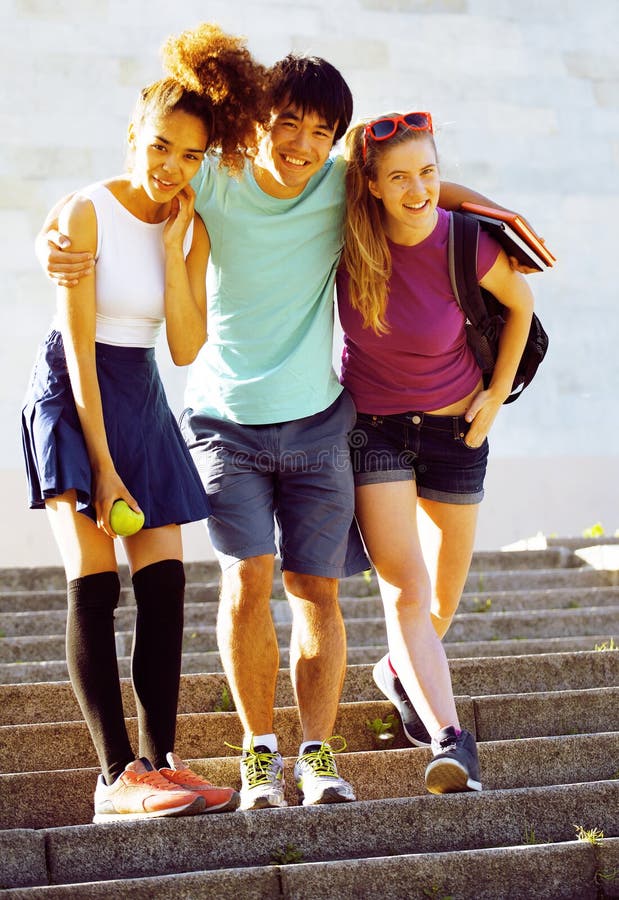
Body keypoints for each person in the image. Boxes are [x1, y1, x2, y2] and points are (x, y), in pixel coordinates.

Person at [36, 50, 522, 810]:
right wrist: (52, 232)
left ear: (335, 144)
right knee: (245, 581)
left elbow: (408, 186)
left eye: (319, 132)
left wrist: (483, 205)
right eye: (286, 123)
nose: (299, 144)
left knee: (316, 590)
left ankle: (317, 756)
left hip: (321, 422)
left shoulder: (337, 184)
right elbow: (140, 177)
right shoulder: (214, 177)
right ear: (260, 122)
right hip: (224, 423)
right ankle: (258, 756)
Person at [22, 23, 270, 822]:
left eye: (189, 155)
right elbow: (77, 349)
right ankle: (113, 778)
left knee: (165, 584)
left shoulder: (188, 226)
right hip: (75, 392)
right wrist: (101, 463)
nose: (170, 167)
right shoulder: (84, 213)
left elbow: (189, 342)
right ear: (134, 134)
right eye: (160, 146)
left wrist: (174, 251)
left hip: (143, 393)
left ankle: (160, 763)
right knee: (96, 583)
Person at [336, 111, 535, 792]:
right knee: (406, 588)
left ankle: (398, 670)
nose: (417, 190)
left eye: (427, 173)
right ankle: (451, 742)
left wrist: (494, 395)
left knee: (440, 600)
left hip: (457, 433)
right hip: (375, 431)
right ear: (370, 185)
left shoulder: (467, 245)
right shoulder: (344, 238)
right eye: (398, 177)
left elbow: (522, 303)